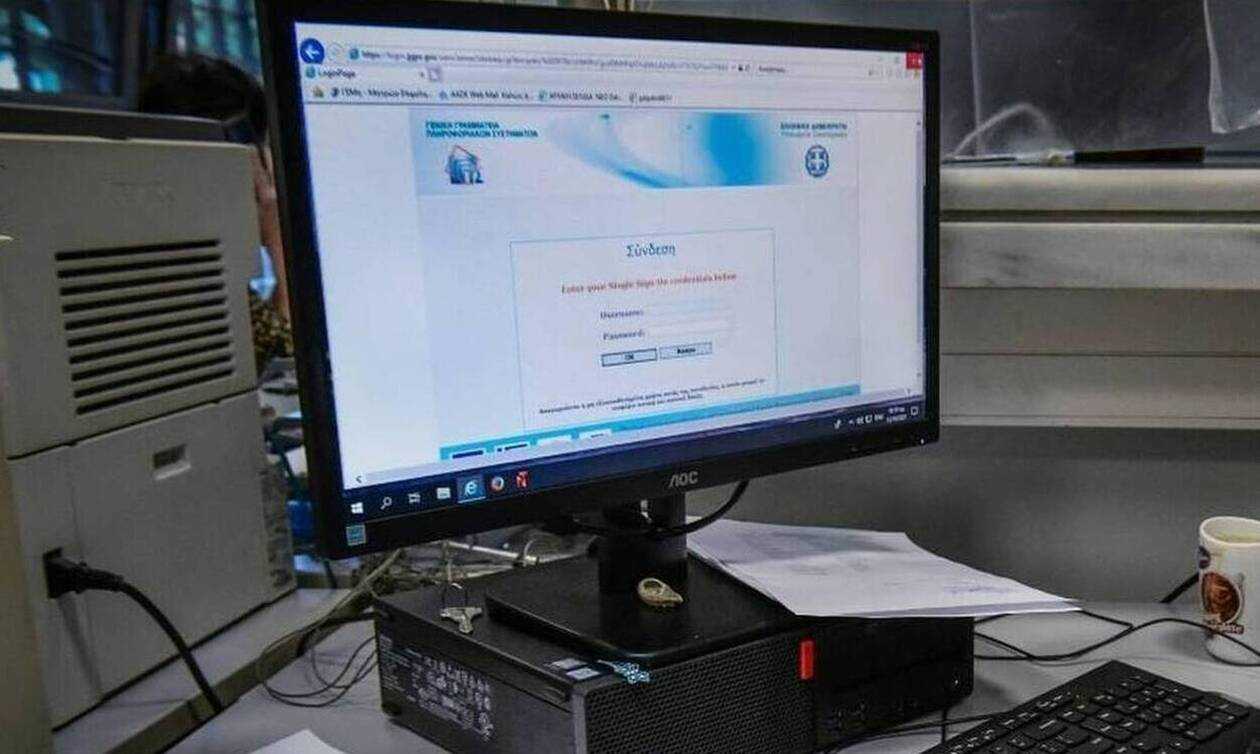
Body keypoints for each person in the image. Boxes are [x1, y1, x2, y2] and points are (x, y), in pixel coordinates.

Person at [137, 53, 292, 372]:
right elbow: (291, 355)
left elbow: (270, 342)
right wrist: (281, 242)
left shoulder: (167, 241)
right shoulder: (184, 274)